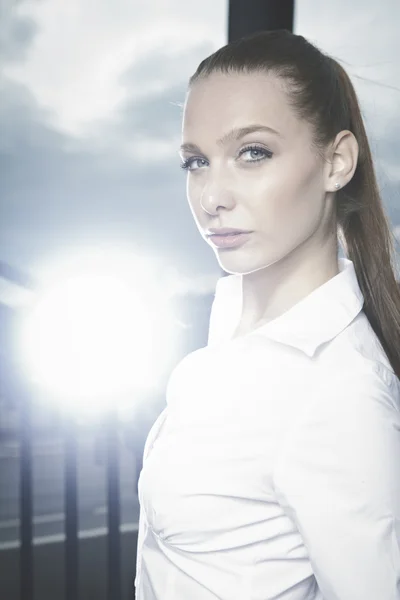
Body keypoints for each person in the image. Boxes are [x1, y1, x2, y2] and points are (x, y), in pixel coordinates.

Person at [134, 30, 400, 599]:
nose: (211, 195)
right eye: (197, 161)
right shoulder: (230, 335)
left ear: (336, 162)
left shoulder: (338, 392)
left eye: (253, 152)